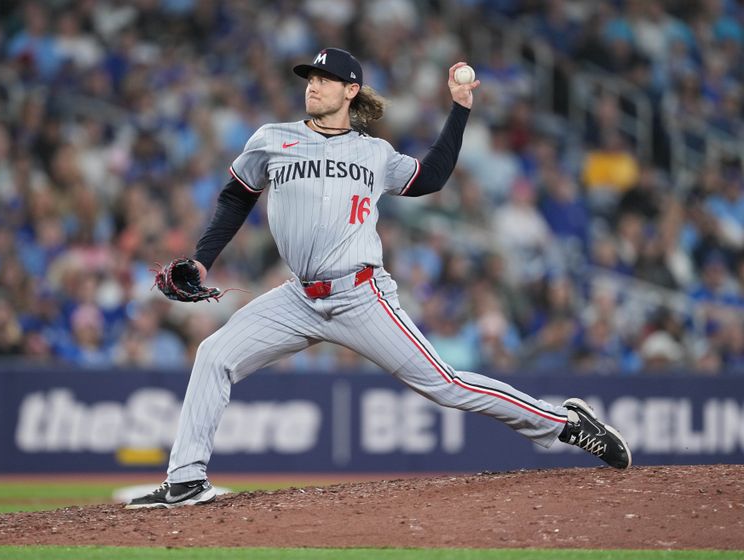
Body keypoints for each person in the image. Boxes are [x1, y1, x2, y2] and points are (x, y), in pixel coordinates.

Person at [126, 48, 631, 509]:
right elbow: (237, 196)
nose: (314, 85)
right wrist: (201, 260)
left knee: (446, 385)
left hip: (360, 296)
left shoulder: (374, 153)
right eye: (310, 77)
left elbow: (430, 177)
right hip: (298, 297)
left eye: (326, 79)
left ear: (350, 91)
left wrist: (460, 109)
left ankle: (564, 424)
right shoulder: (272, 139)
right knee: (214, 354)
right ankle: (187, 478)